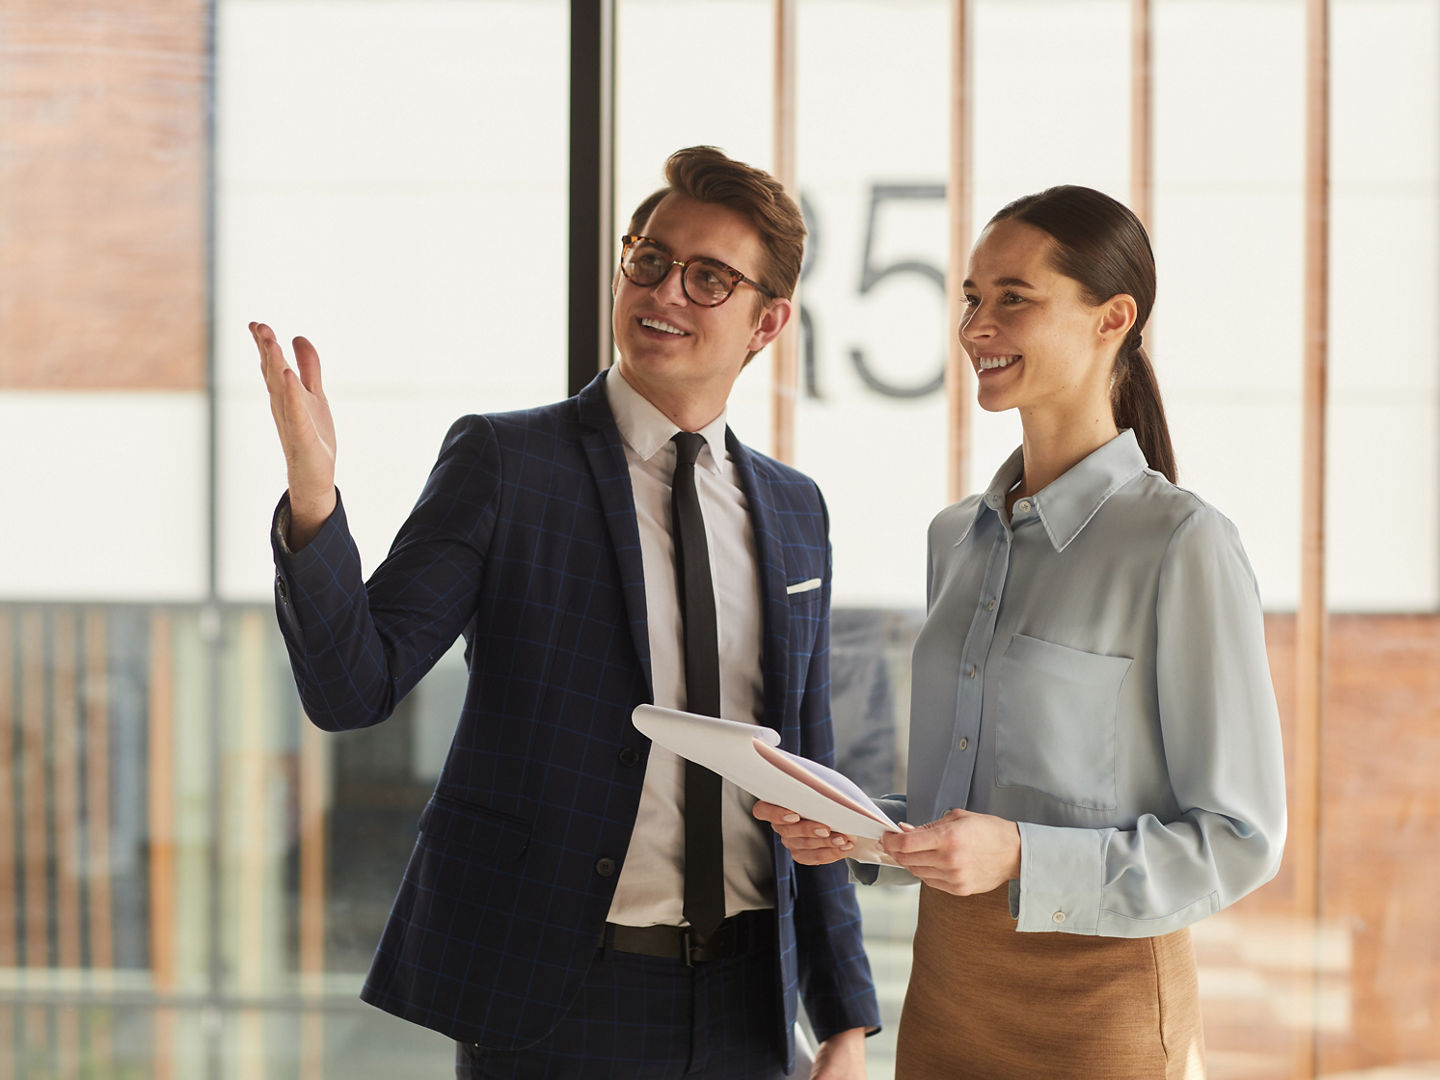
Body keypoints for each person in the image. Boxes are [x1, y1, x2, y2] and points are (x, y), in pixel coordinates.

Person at [253, 145, 880, 1079]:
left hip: (753, 1006)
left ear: (767, 322)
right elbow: (355, 688)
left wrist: (845, 1017)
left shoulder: (796, 509)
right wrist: (314, 503)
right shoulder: (507, 464)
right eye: (650, 259)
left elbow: (808, 771)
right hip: (561, 1002)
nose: (665, 292)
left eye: (709, 278)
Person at [755, 185, 1286, 1078]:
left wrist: (1021, 856)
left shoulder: (1182, 545)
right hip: (947, 997)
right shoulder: (954, 538)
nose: (975, 326)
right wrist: (861, 830)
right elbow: (968, 808)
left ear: (1112, 317)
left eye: (1013, 298)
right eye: (971, 298)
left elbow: (1239, 840)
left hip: (1103, 1013)